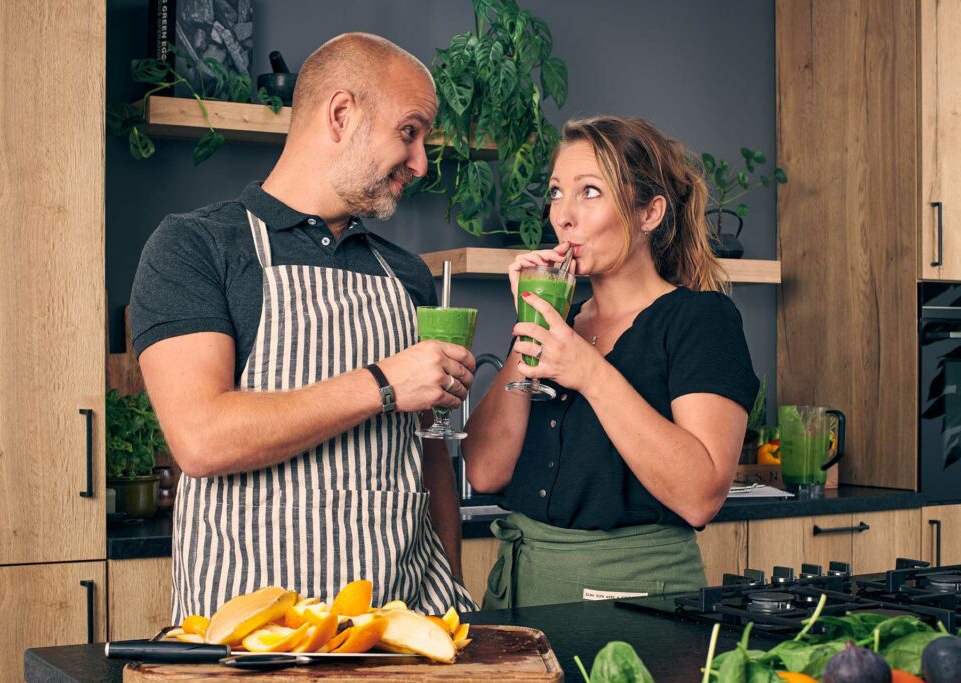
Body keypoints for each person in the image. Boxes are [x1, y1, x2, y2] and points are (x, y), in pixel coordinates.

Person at [130, 33, 479, 622]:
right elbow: (201, 438)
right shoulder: (197, 247)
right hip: (254, 635)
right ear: (341, 114)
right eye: (409, 131)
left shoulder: (407, 275)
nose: (421, 162)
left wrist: (452, 598)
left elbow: (429, 454)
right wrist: (383, 384)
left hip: (396, 625)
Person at [463, 115, 759, 609]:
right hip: (517, 592)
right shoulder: (563, 323)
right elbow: (484, 472)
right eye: (557, 193)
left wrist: (591, 372)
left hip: (633, 597)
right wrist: (535, 324)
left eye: (590, 192)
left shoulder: (701, 320)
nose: (563, 215)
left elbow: (700, 495)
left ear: (650, 213)